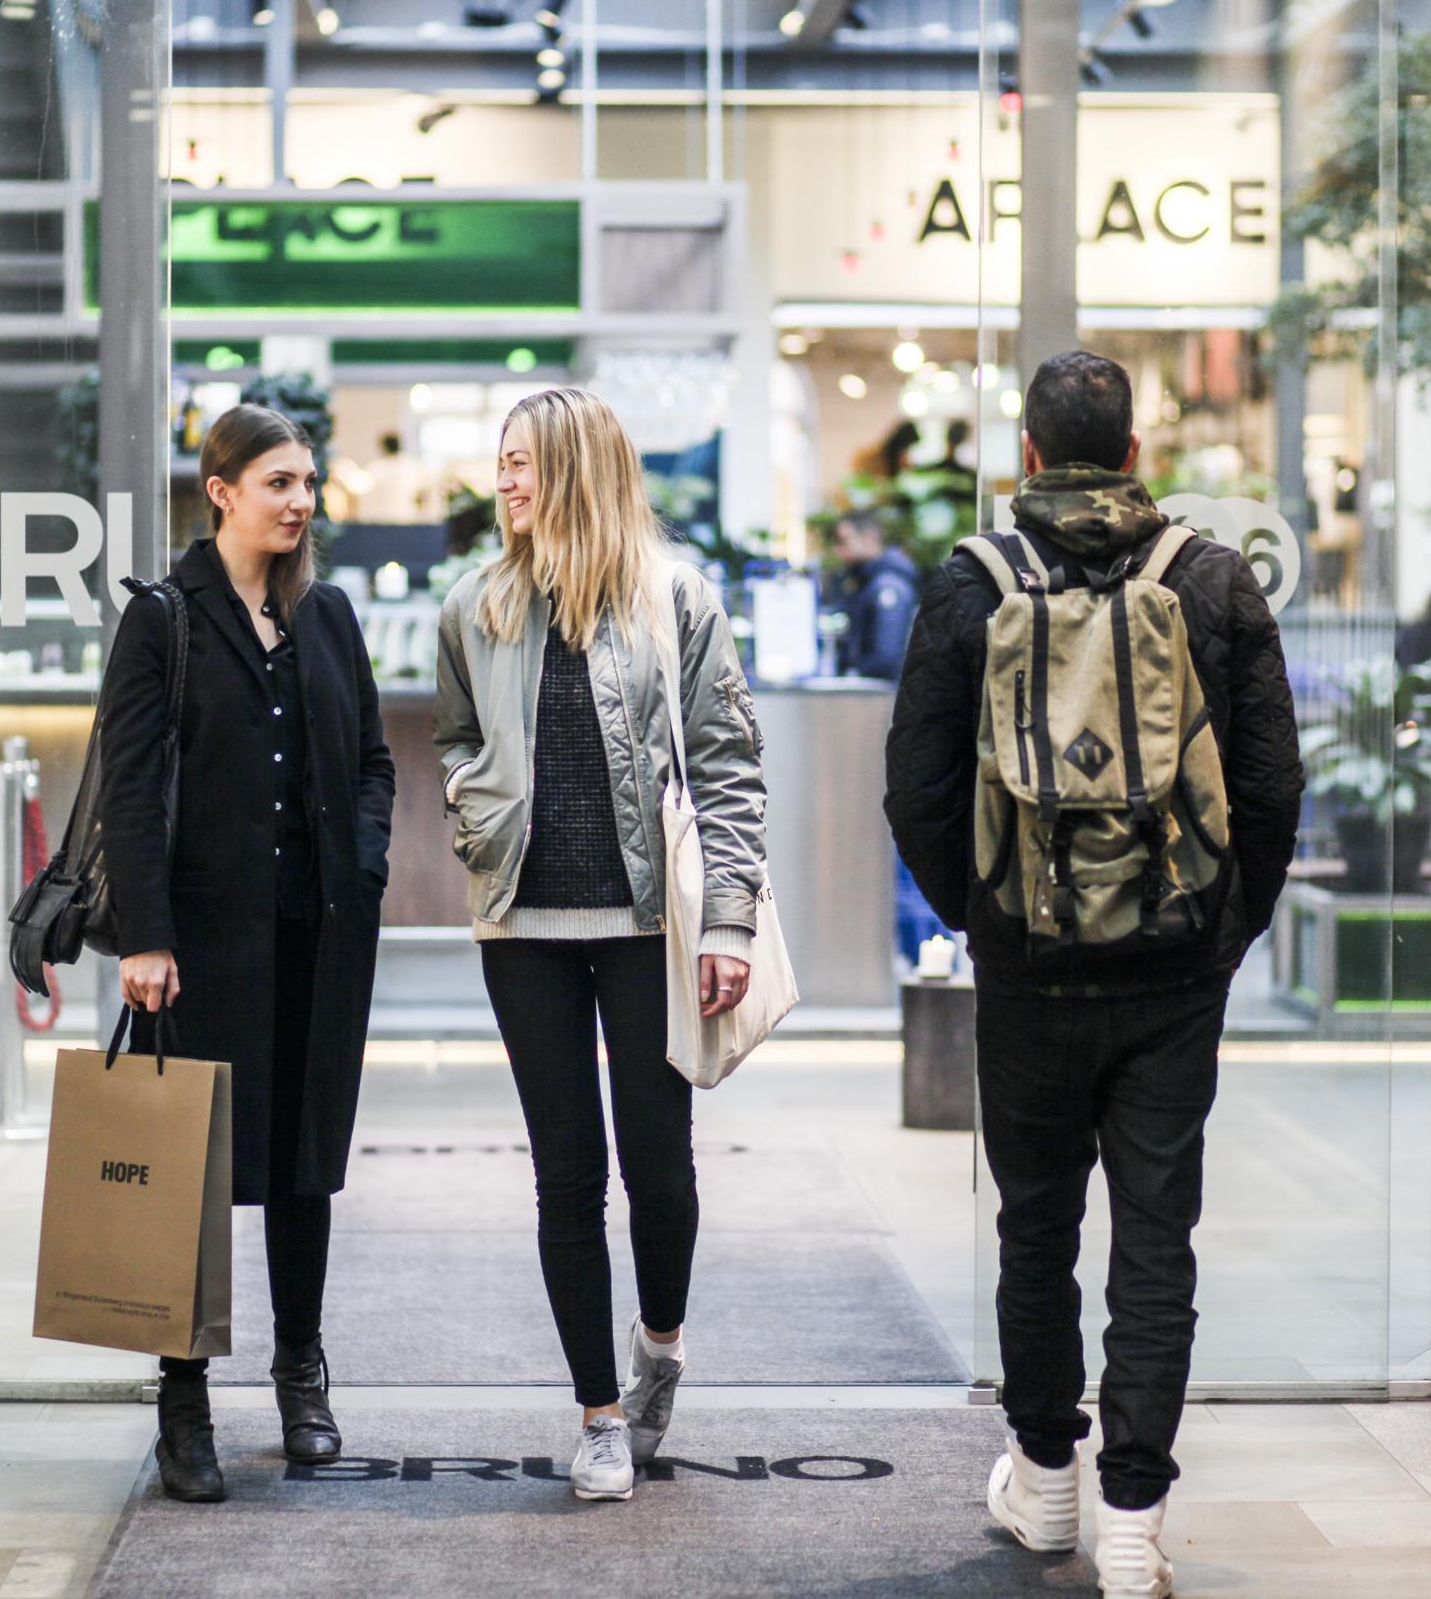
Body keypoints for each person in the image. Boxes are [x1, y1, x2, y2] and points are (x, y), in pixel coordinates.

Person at [884, 350, 1302, 1598]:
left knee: (1033, 1229)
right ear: (1133, 455)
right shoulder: (1210, 578)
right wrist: (1224, 929)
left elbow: (914, 789)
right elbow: (1273, 786)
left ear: (1024, 453)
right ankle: (1132, 1522)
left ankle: (1045, 1481)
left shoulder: (970, 585)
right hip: (1174, 972)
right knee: (1155, 1239)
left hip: (1026, 969)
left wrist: (987, 922)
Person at [432, 385, 768, 1502]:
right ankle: (597, 1412)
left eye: (523, 463)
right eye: (501, 461)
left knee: (659, 1174)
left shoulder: (674, 597)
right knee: (564, 1177)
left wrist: (725, 918)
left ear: (575, 469)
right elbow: (455, 736)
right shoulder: (473, 604)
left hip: (644, 926)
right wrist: (475, 814)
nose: (505, 482)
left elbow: (727, 769)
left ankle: (659, 1341)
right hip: (520, 926)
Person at [99, 403, 396, 1504]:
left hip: (316, 941)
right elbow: (130, 791)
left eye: (308, 483)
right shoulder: (165, 620)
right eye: (278, 482)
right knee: (191, 1176)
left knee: (304, 1165)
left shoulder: (327, 616)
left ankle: (300, 1375)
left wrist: (361, 865)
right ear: (219, 490)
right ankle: (183, 1401)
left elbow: (372, 761)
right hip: (199, 950)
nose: (300, 502)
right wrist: (145, 936)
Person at [829, 510, 920, 681]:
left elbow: (886, 658)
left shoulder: (888, 587)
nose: (838, 550)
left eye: (843, 541)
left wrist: (853, 673)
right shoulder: (861, 582)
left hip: (882, 695)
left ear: (869, 538)